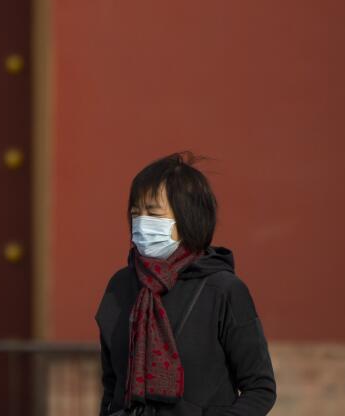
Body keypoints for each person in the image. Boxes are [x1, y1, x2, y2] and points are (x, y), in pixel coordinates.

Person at [95, 153, 276, 415]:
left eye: (154, 213)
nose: (142, 222)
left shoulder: (223, 289)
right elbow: (111, 386)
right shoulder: (120, 286)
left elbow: (260, 388)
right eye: (136, 213)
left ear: (187, 218)